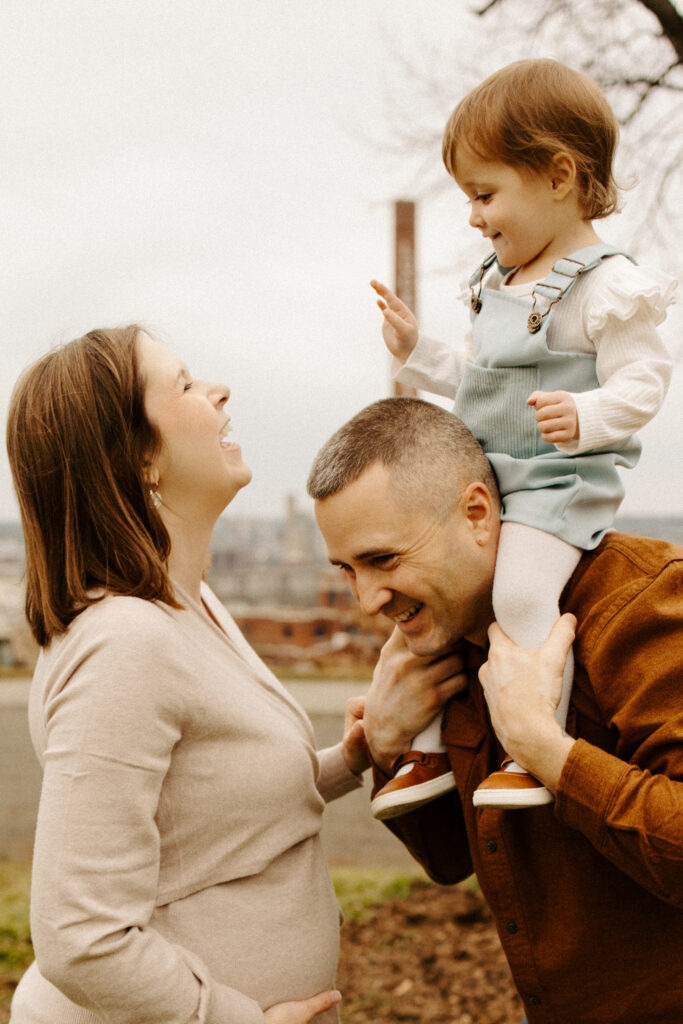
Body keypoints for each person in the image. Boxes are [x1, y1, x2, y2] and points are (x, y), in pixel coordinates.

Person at [6, 325, 373, 1024]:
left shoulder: (186, 603)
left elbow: (205, 818)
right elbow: (79, 936)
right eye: (182, 383)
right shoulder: (124, 642)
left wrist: (351, 760)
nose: (219, 390)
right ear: (140, 459)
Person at [307, 395, 683, 1024]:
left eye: (383, 560)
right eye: (347, 569)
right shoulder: (450, 643)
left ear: (477, 514)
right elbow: (453, 858)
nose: (366, 600)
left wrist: (547, 752)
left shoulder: (638, 604)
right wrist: (389, 746)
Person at [369, 58, 675, 816]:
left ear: (559, 175)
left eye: (483, 193)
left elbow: (645, 379)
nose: (473, 216)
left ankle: (527, 747)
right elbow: (481, 378)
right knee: (428, 597)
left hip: (552, 484)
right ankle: (426, 751)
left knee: (520, 594)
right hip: (484, 482)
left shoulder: (604, 286)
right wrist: (417, 353)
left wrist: (590, 415)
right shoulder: (497, 281)